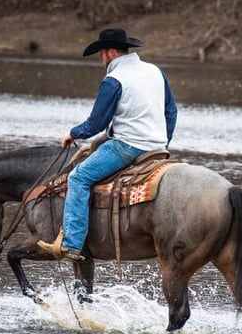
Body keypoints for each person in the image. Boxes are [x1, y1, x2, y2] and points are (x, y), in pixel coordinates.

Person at [37, 27, 178, 261]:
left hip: (127, 146)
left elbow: (96, 124)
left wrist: (73, 133)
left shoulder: (114, 80)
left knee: (78, 178)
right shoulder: (155, 71)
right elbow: (171, 111)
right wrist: (163, 141)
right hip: (157, 148)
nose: (101, 59)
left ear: (111, 53)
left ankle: (71, 244)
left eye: (101, 53)